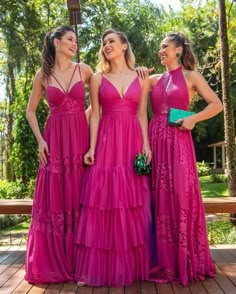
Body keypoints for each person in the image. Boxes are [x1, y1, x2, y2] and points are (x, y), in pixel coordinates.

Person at [75, 29, 152, 287]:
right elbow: (95, 115)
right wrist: (91, 148)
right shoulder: (97, 78)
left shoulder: (141, 78)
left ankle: (129, 267)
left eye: (111, 42)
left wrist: (146, 144)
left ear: (123, 46)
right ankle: (97, 268)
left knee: (130, 200)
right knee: (104, 200)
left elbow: (142, 114)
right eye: (103, 43)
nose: (106, 46)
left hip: (131, 140)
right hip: (107, 141)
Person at [146, 32, 223, 286]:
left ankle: (185, 260)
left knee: (181, 195)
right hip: (156, 142)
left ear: (178, 50)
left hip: (179, 142)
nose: (161, 51)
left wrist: (192, 118)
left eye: (165, 46)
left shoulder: (191, 76)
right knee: (160, 198)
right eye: (159, 47)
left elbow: (216, 104)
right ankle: (165, 260)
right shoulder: (153, 79)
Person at [25, 25, 93, 284]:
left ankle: (81, 263)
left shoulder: (84, 70)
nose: (74, 43)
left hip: (79, 139)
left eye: (75, 40)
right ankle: (56, 261)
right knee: (56, 198)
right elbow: (30, 111)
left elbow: (104, 93)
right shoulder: (42, 74)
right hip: (53, 140)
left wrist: (82, 118)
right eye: (69, 39)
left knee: (79, 196)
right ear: (56, 42)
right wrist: (40, 140)